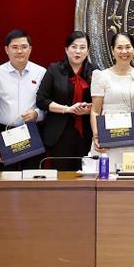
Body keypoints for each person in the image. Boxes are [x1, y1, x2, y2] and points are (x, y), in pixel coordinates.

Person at [90, 32, 134, 172]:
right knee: (104, 182)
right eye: (119, 47)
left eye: (128, 47)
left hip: (133, 141)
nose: (124, 52)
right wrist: (97, 136)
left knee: (133, 184)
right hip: (107, 140)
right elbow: (95, 110)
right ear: (112, 50)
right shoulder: (101, 76)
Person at [36, 31, 94, 171]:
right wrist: (67, 109)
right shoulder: (54, 70)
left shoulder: (95, 71)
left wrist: (89, 109)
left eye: (82, 47)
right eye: (74, 47)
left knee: (86, 175)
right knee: (63, 176)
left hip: (87, 132)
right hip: (60, 133)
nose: (77, 51)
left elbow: (102, 102)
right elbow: (42, 100)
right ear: (66, 49)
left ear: (88, 51)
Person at [0, 30, 47, 170]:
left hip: (32, 131)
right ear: (6, 50)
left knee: (32, 179)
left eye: (23, 47)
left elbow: (47, 103)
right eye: (14, 47)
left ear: (30, 49)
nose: (19, 51)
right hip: (5, 132)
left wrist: (37, 114)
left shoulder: (41, 73)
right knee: (4, 180)